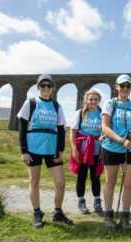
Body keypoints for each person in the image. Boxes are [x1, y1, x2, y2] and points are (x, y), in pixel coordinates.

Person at [17, 74, 73, 228]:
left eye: (49, 86)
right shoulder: (31, 103)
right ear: (38, 87)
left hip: (51, 148)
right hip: (33, 147)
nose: (46, 88)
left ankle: (58, 212)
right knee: (34, 181)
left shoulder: (56, 106)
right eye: (43, 86)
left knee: (60, 182)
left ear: (53, 88)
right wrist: (23, 150)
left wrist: (61, 149)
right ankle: (37, 213)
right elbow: (22, 127)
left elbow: (61, 129)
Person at [101, 74, 131, 231]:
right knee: (110, 182)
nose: (125, 88)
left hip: (130, 149)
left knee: (129, 183)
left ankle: (125, 217)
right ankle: (109, 214)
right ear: (116, 87)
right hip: (112, 147)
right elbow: (105, 127)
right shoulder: (110, 104)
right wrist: (121, 140)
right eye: (122, 85)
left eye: (128, 86)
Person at [69, 89, 104, 214]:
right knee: (82, 176)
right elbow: (72, 132)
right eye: (91, 99)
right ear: (86, 100)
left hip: (97, 150)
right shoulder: (79, 114)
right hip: (82, 150)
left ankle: (97, 201)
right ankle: (81, 202)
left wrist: (103, 138)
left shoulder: (102, 114)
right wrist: (74, 149)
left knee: (96, 177)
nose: (93, 101)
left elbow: (106, 131)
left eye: (96, 99)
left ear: (99, 101)